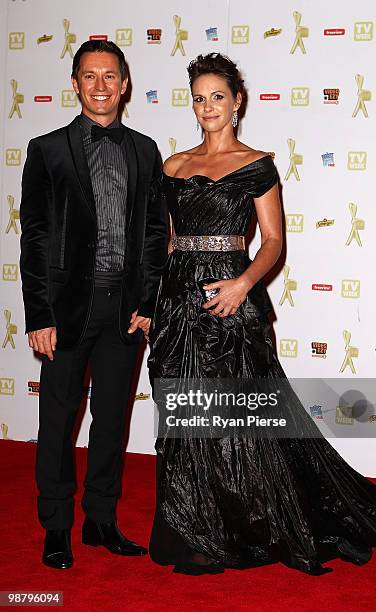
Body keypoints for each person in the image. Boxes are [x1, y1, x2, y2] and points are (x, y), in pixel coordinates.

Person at [147, 53, 376, 576]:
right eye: (199, 97)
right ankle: (190, 528)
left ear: (237, 102)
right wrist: (151, 305)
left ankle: (234, 527)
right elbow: (169, 242)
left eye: (217, 96)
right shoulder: (173, 165)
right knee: (181, 413)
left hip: (230, 300)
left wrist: (243, 285)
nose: (207, 106)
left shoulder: (256, 163)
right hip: (179, 303)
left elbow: (273, 243)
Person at [20, 40, 167, 569]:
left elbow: (154, 235)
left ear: (125, 84)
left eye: (110, 76)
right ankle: (56, 526)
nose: (101, 85)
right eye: (90, 76)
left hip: (123, 309)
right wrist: (38, 314)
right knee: (58, 419)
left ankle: (101, 519)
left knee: (111, 421)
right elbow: (34, 238)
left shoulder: (145, 150)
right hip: (65, 311)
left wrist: (147, 301)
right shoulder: (47, 149)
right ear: (75, 83)